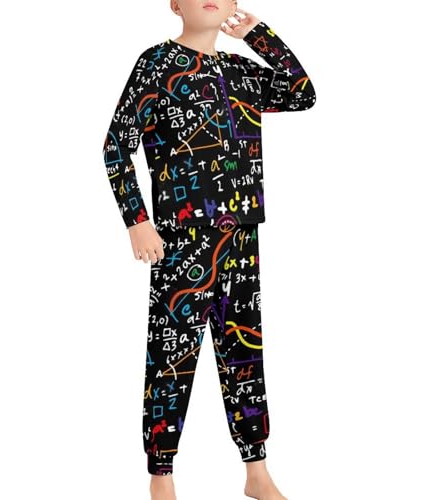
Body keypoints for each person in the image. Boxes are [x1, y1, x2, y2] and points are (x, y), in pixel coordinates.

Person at [102, 1, 316, 498]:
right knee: (171, 355)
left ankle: (257, 471)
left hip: (242, 233)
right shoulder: (156, 64)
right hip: (181, 237)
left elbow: (302, 93)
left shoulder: (240, 70)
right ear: (174, 3)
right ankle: (161, 475)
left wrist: (260, 37)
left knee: (244, 353)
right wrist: (137, 221)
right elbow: (116, 145)